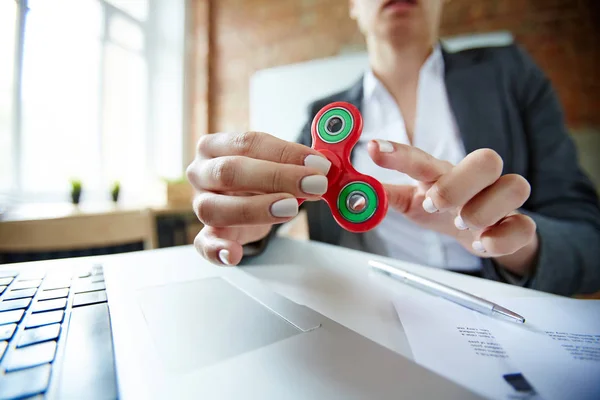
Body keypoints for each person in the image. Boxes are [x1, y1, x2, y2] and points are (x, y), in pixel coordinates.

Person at [186, 0, 600, 296]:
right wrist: (246, 225)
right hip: (365, 308)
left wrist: (518, 245)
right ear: (351, 5)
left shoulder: (511, 75)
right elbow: (276, 205)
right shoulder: (322, 117)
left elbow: (589, 244)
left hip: (502, 304)